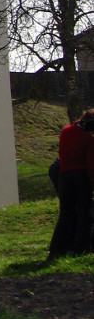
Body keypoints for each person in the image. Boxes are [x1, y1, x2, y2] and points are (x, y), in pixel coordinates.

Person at [49, 108, 94, 257]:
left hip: (65, 175)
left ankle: (57, 248)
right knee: (83, 214)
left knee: (65, 213)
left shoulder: (66, 131)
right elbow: (90, 165)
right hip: (81, 177)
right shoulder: (89, 139)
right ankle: (81, 249)